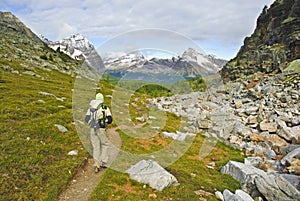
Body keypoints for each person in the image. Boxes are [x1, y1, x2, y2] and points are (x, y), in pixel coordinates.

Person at [85, 93, 113, 173]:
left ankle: (96, 165)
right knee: (105, 144)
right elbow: (110, 120)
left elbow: (86, 119)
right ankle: (103, 162)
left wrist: (92, 123)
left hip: (92, 129)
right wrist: (104, 122)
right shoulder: (104, 108)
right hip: (101, 129)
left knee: (96, 146)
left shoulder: (91, 108)